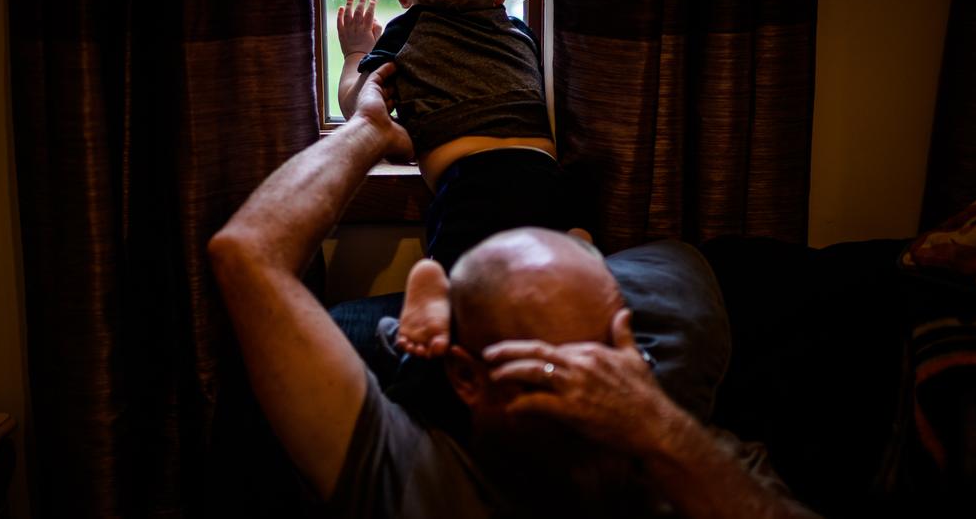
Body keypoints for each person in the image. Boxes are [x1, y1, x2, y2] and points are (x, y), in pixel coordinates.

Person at [209, 63, 818, 518]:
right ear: (467, 379)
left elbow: (252, 249)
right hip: (660, 285)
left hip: (666, 284)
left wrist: (656, 424)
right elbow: (242, 256)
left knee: (671, 272)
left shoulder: (685, 438)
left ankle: (552, 259)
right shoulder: (421, 482)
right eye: (554, 360)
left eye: (614, 344)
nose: (603, 372)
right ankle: (547, 257)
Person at [333, 0, 566, 280]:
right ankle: (576, 243)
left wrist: (356, 53)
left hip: (471, 185)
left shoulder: (408, 28)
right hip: (545, 175)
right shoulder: (520, 33)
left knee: (457, 287)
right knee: (547, 278)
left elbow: (359, 106)